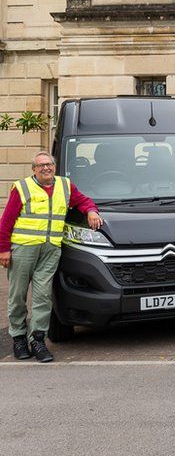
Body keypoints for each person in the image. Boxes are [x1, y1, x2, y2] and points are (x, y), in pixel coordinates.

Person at [0, 151, 103, 362]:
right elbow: (6, 221)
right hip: (23, 249)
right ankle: (19, 338)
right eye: (41, 166)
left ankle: (38, 340)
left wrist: (91, 211)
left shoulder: (65, 185)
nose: (46, 168)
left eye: (49, 164)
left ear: (54, 167)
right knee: (17, 296)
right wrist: (3, 249)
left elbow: (83, 200)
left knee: (42, 297)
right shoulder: (23, 187)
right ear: (34, 170)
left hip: (50, 250)